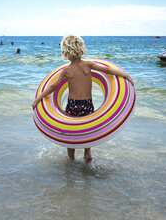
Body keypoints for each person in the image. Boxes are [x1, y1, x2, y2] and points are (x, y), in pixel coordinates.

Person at [32, 35, 133, 163]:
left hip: (73, 105)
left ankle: (71, 158)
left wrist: (38, 99)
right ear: (81, 49)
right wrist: (125, 75)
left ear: (65, 52)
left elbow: (53, 86)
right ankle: (87, 153)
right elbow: (108, 70)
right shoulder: (88, 65)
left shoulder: (66, 70)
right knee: (87, 128)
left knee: (71, 131)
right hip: (88, 104)